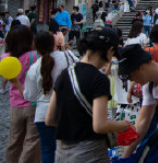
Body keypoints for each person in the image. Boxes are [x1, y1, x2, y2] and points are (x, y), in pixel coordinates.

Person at [45, 27, 131, 162]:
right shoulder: (99, 79)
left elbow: (50, 119)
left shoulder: (65, 74)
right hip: (90, 153)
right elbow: (100, 125)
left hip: (62, 153)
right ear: (110, 51)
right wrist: (123, 125)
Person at [23, 31, 76, 163]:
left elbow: (30, 95)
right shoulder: (67, 57)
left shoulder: (34, 67)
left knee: (47, 150)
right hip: (66, 111)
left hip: (43, 114)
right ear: (54, 42)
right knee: (69, 149)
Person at [3, 25, 41, 163]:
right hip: (33, 104)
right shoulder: (35, 55)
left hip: (15, 104)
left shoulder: (5, 58)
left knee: (14, 140)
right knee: (32, 141)